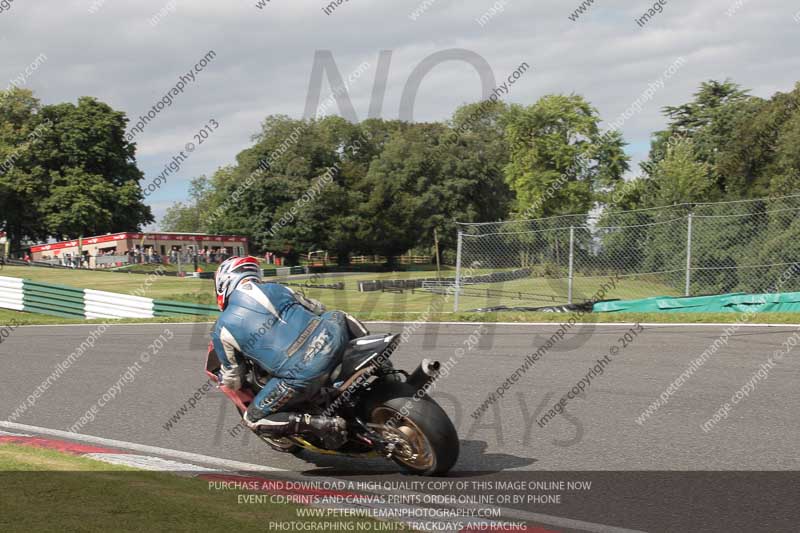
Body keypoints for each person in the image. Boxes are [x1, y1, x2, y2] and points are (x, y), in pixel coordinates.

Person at [211, 256, 351, 446]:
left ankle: (319, 423)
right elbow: (318, 308)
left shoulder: (222, 327)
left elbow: (234, 379)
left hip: (301, 375)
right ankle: (379, 364)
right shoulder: (279, 288)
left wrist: (223, 380)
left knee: (252, 419)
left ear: (223, 283)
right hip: (334, 340)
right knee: (336, 314)